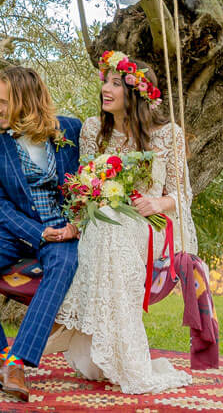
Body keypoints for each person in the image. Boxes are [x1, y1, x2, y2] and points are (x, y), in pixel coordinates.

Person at [51, 50, 198, 394]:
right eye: (104, 81)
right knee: (107, 224)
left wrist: (155, 202)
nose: (105, 88)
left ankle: (124, 354)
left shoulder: (167, 134)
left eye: (115, 83)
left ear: (135, 93)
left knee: (112, 227)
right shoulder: (93, 130)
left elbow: (182, 195)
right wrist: (86, 207)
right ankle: (102, 351)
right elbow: (85, 188)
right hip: (104, 221)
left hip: (150, 224)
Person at [0, 66, 81, 402]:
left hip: (62, 226)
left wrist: (71, 226)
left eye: (3, 102)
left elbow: (86, 186)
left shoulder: (70, 130)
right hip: (10, 229)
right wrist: (40, 233)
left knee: (64, 265)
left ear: (29, 102)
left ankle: (18, 361)